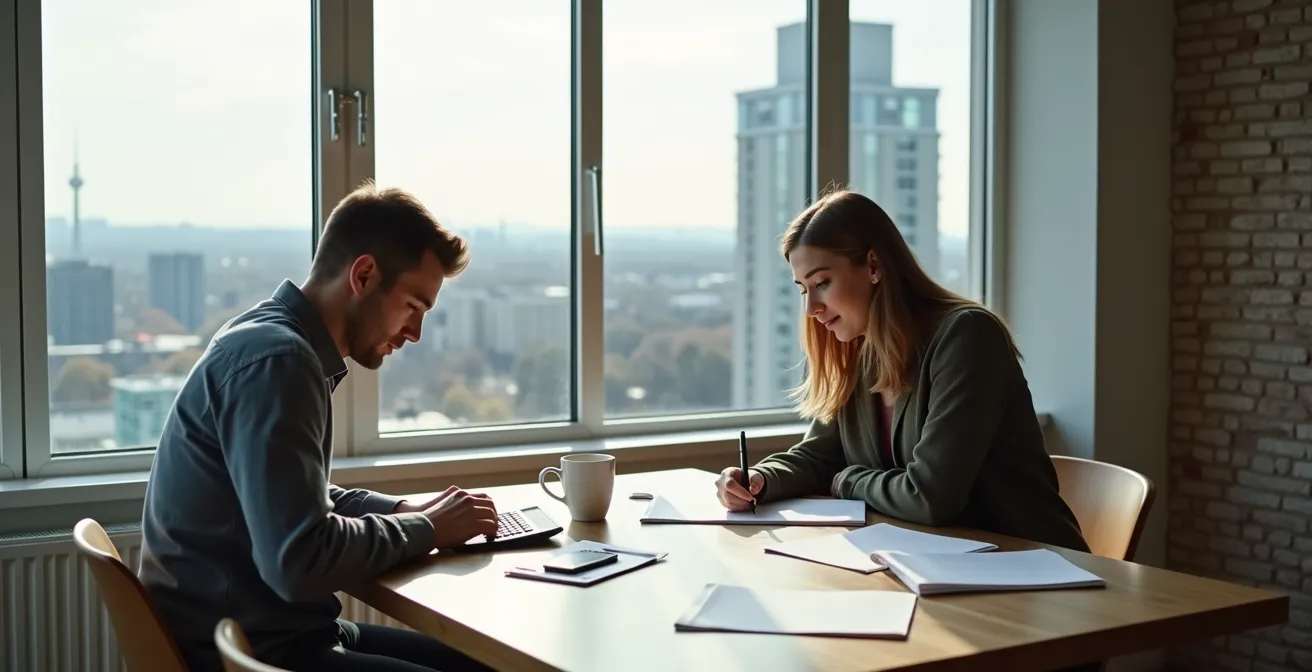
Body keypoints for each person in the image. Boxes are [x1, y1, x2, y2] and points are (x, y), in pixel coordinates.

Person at [138, 182, 499, 672]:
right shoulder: (281, 362)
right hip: (250, 654)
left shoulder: (269, 337)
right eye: (413, 307)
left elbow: (297, 497)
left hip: (268, 631)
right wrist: (428, 527)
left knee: (480, 661)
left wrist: (404, 509)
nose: (415, 333)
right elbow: (298, 561)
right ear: (365, 275)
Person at [715, 189, 1089, 554]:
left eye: (822, 282)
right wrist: (761, 479)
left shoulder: (968, 336)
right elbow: (820, 456)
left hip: (1031, 569)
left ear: (874, 266)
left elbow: (929, 497)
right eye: (803, 290)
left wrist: (849, 480)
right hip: (937, 565)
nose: (811, 307)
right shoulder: (861, 351)